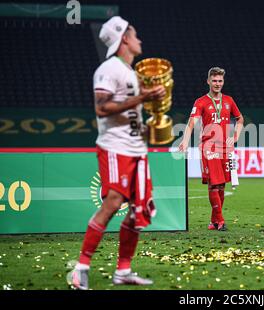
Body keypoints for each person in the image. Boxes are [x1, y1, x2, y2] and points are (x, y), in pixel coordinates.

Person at [69, 16, 166, 290]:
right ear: (124, 38)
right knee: (112, 204)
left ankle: (123, 271)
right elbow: (102, 107)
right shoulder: (108, 69)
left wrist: (150, 127)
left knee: (139, 211)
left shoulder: (131, 73)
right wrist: (142, 98)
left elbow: (130, 110)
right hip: (115, 149)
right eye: (135, 35)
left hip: (136, 149)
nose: (140, 40)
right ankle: (81, 268)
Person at [179, 67, 244, 231]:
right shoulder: (200, 101)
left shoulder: (229, 100)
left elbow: (240, 119)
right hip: (208, 147)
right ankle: (220, 221)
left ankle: (214, 221)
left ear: (223, 82)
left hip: (225, 149)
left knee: (221, 185)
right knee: (214, 184)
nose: (217, 84)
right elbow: (191, 123)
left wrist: (235, 136)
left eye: (220, 81)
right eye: (214, 80)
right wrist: (185, 142)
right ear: (208, 81)